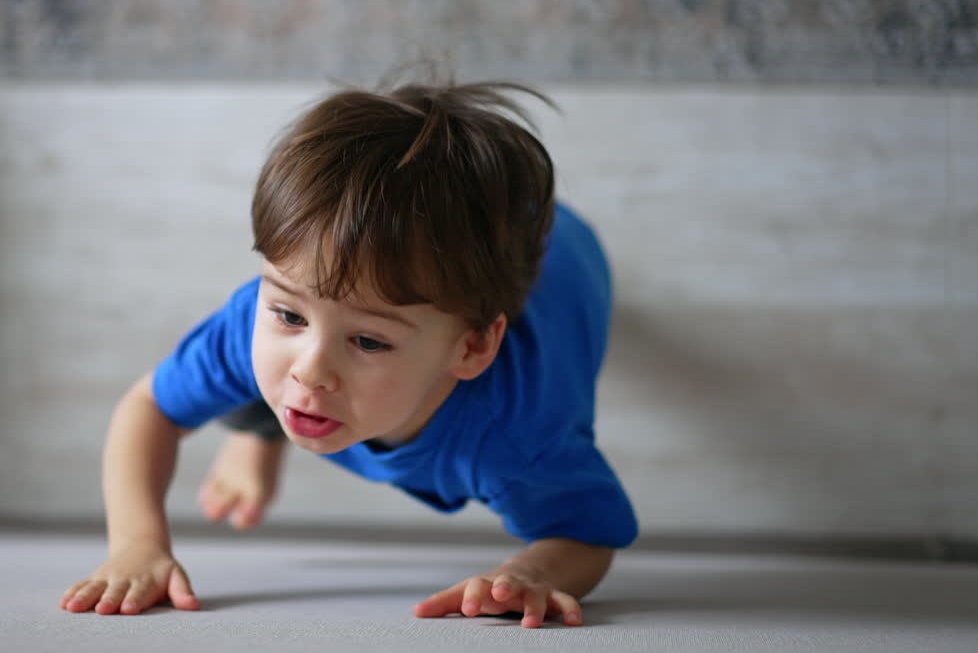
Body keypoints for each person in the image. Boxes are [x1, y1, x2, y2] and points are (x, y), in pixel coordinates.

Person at [59, 78, 637, 629]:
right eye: (288, 312)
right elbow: (150, 407)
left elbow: (587, 534)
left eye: (369, 340)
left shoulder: (520, 438)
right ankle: (258, 429)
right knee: (264, 369)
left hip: (565, 246)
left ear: (472, 346)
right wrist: (138, 546)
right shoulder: (252, 322)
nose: (310, 362)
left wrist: (527, 572)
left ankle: (268, 418)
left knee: (294, 373)